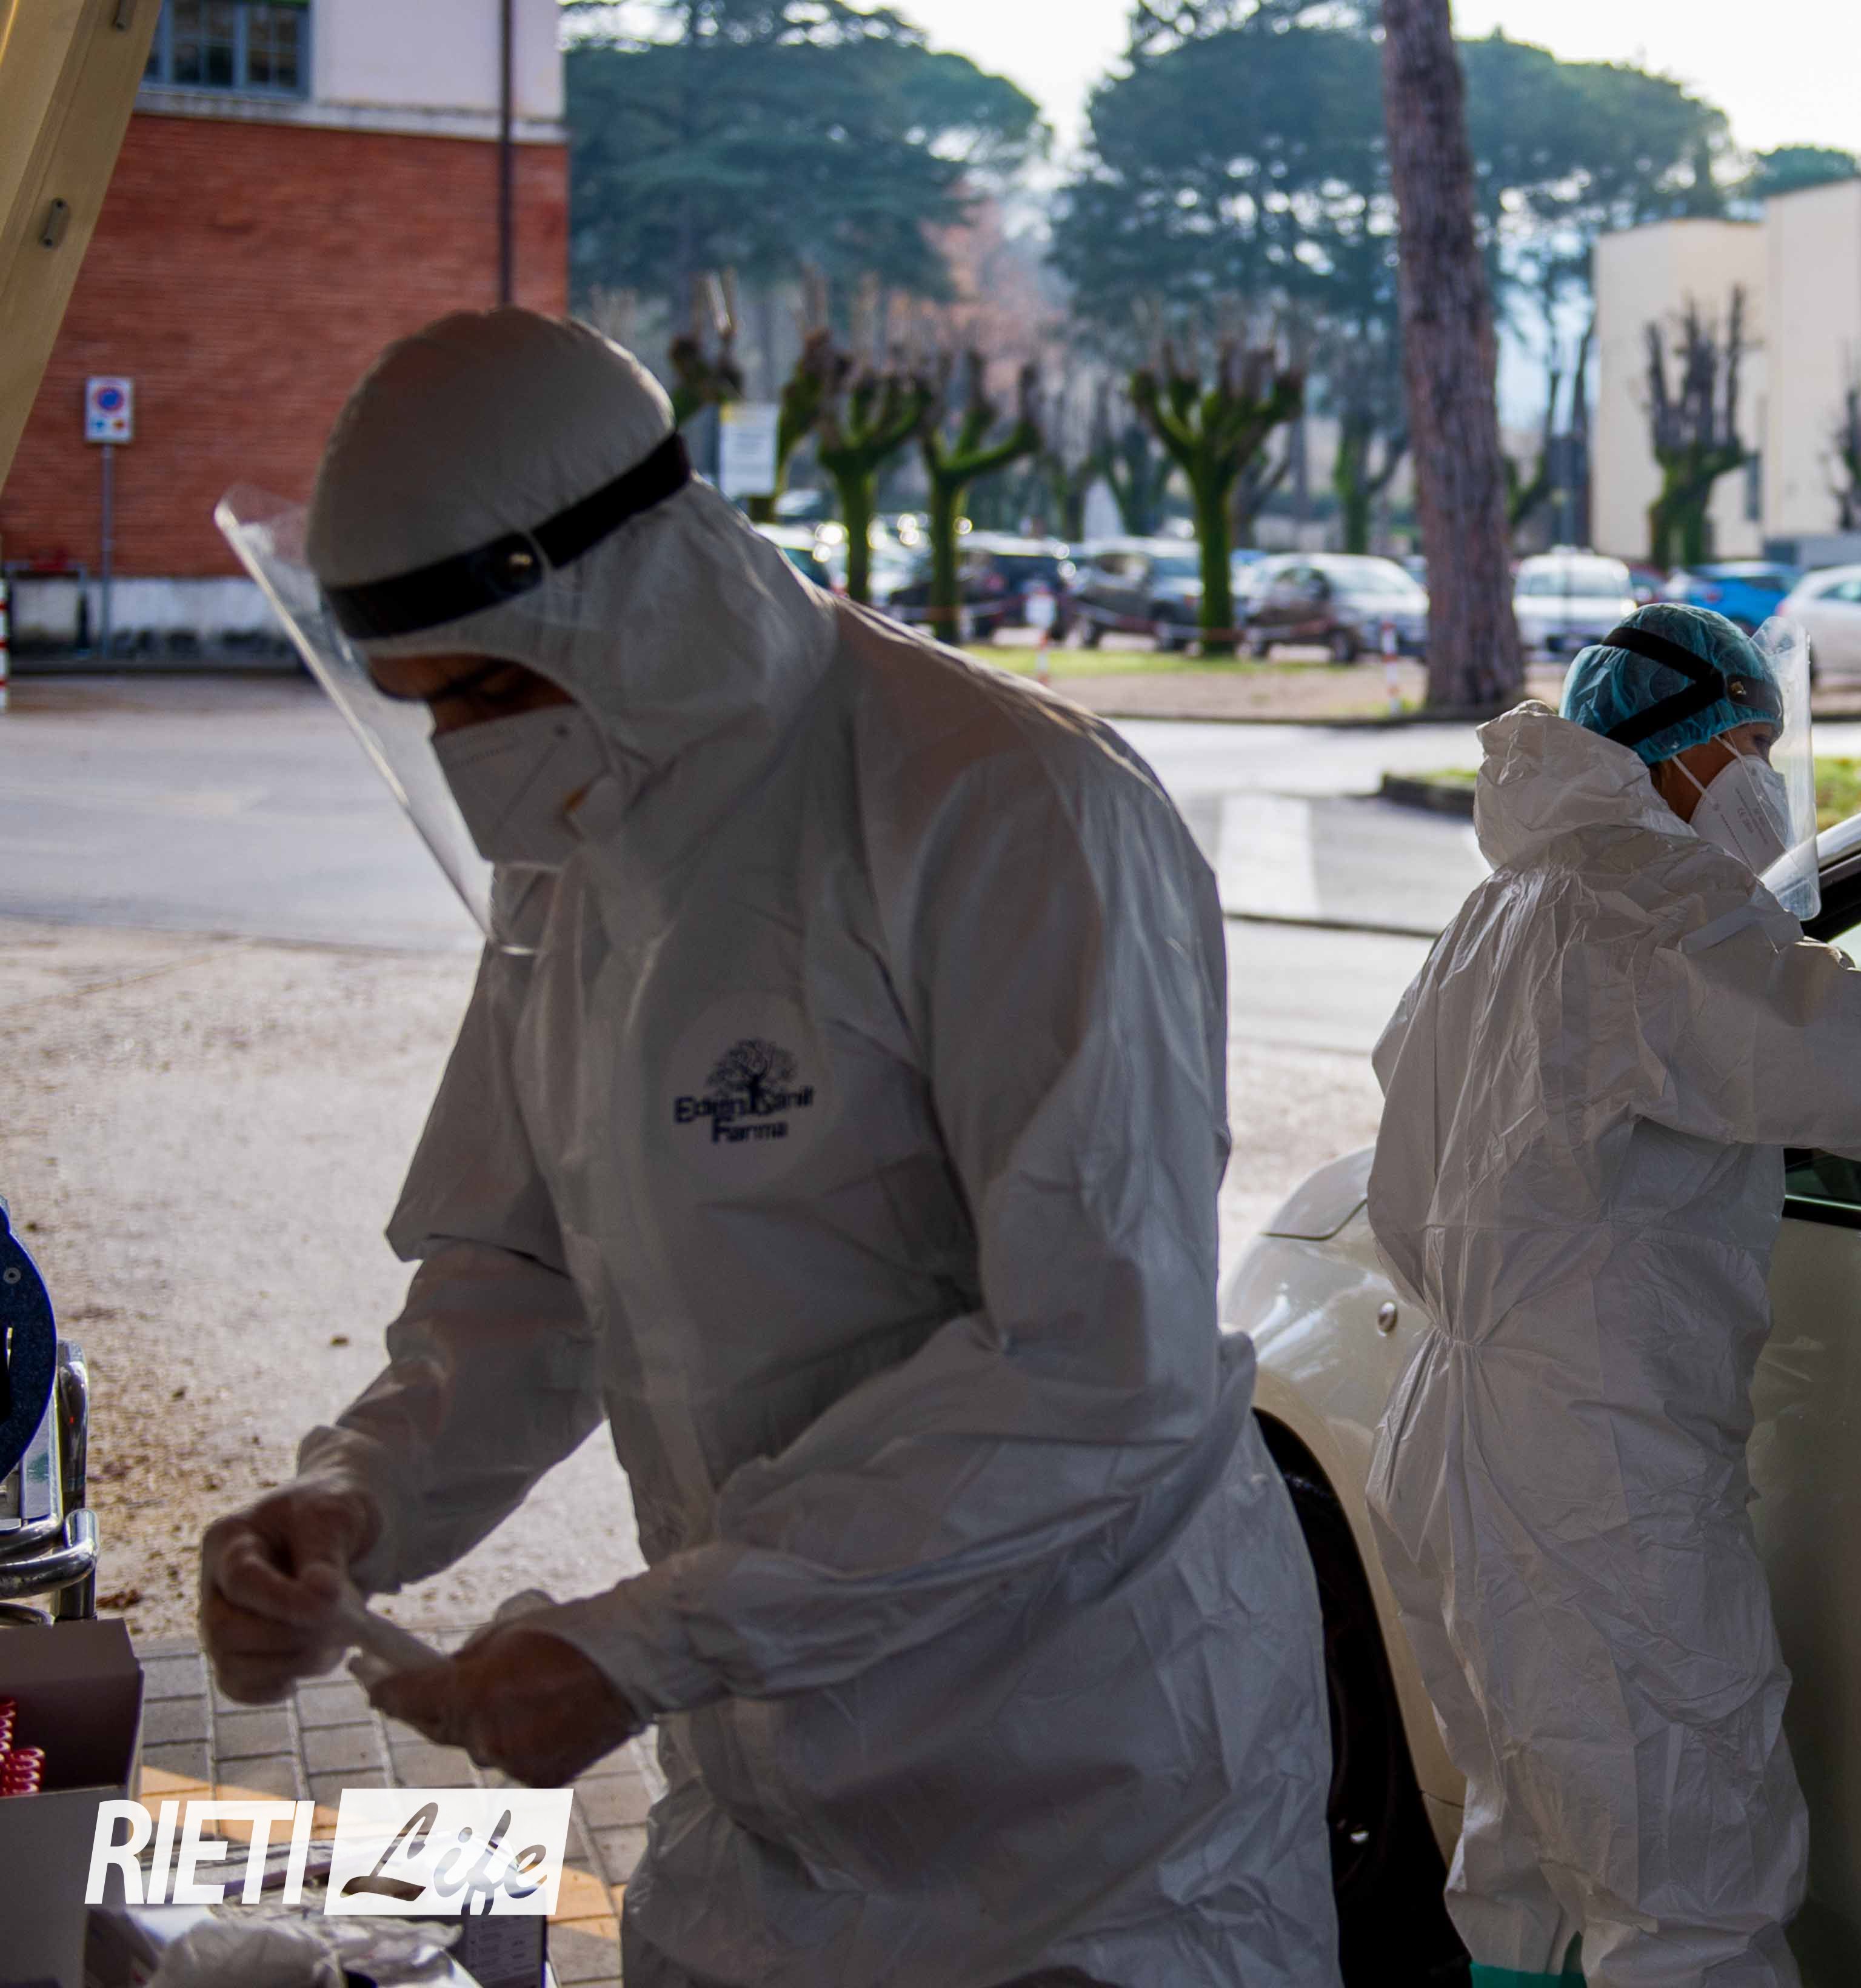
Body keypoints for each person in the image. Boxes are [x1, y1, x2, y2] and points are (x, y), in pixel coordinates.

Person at [193, 310, 1338, 1987]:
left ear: (641, 593)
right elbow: (523, 1275)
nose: (475, 761)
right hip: (769, 1804)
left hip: (1092, 1817)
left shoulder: (1003, 806)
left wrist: (648, 1640)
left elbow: (1099, 1365)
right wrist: (355, 1499)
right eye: (427, 711)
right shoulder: (574, 836)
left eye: (493, 688)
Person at [1363, 604, 1861, 1987]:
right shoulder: (1654, 901)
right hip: (1594, 1466)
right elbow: (1860, 1068)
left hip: (1448, 1430)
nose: (1764, 781)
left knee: (1526, 1845)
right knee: (1686, 1884)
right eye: (1751, 747)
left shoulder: (1502, 909)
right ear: (1678, 752)